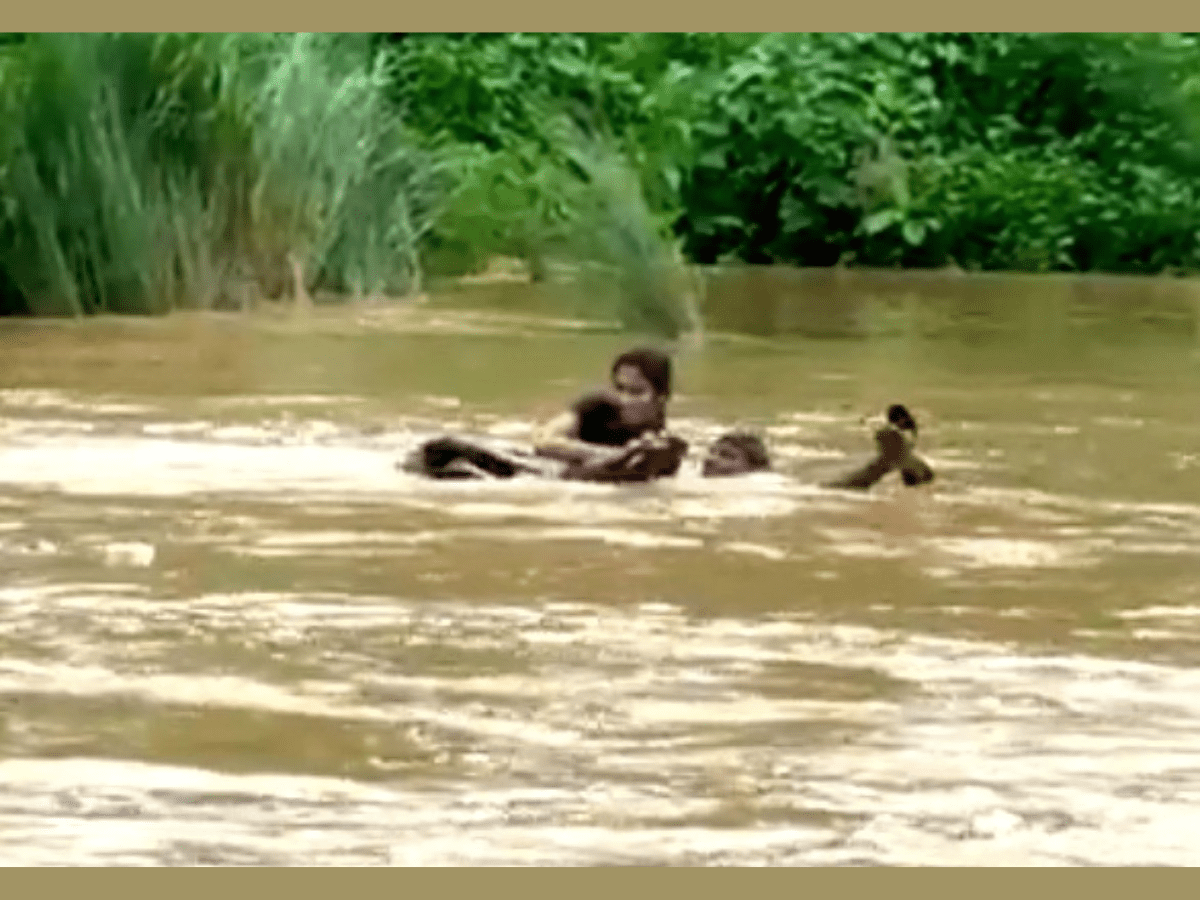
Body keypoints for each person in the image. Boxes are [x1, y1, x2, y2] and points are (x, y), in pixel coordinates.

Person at [400, 347, 688, 484]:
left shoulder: (658, 437)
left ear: (661, 397)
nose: (624, 400)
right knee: (444, 448)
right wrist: (604, 455)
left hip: (557, 477)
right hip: (540, 466)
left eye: (636, 392)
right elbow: (544, 440)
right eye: (619, 389)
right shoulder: (597, 406)